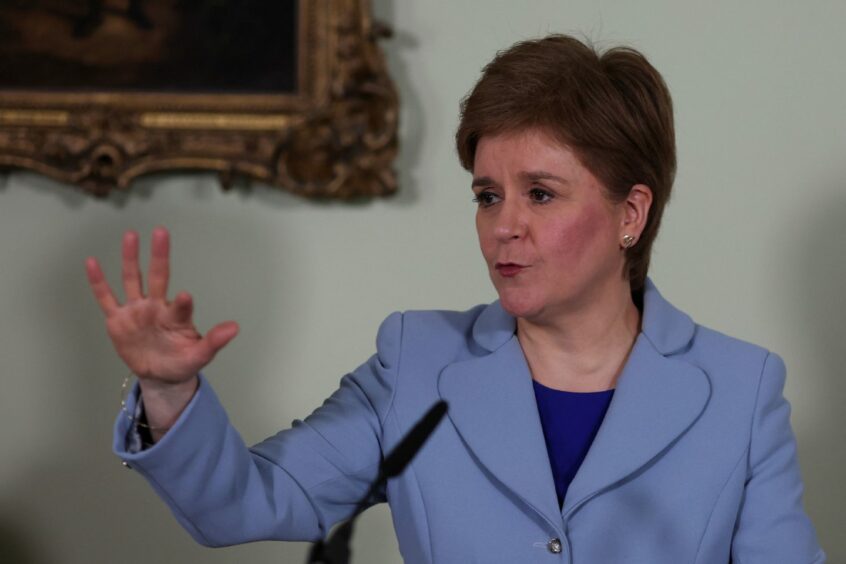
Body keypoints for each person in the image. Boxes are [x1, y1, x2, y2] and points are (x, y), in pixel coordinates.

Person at [86, 35, 825, 563]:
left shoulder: (740, 389)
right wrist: (168, 388)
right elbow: (242, 503)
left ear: (631, 214)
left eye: (540, 194)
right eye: (487, 194)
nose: (504, 226)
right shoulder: (416, 361)